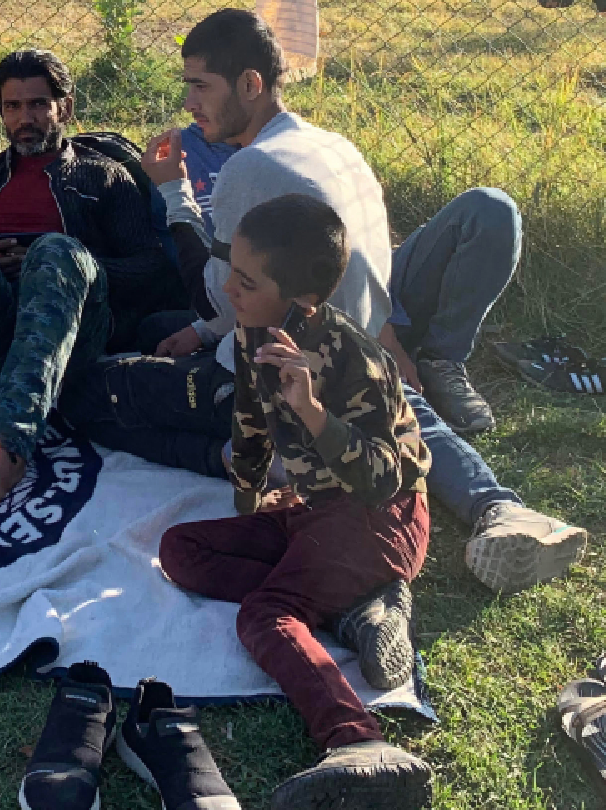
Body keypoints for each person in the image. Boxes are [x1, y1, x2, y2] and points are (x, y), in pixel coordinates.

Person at [142, 9, 588, 594]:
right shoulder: (328, 141)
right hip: (372, 309)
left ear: (251, 84)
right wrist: (387, 333)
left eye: (201, 86)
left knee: (379, 404)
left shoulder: (248, 168)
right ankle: (444, 392)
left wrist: (174, 192)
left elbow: (225, 301)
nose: (191, 104)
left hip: (326, 336)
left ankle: (498, 508)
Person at [159, 195, 433, 810]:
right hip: (315, 511)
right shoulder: (259, 332)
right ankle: (353, 611)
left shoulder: (355, 359)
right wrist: (249, 500)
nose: (227, 287)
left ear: (300, 300)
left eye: (246, 280)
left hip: (378, 516)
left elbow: (383, 482)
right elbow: (250, 425)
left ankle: (358, 740)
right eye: (232, 269)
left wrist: (312, 411)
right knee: (182, 548)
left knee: (264, 615)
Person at [0, 48, 175, 515]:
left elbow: (151, 267)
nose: (24, 118)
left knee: (55, 251)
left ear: (64, 107)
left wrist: (48, 258)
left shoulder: (104, 176)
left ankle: (10, 446)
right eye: (12, 107)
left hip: (67, 330)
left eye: (37, 104)